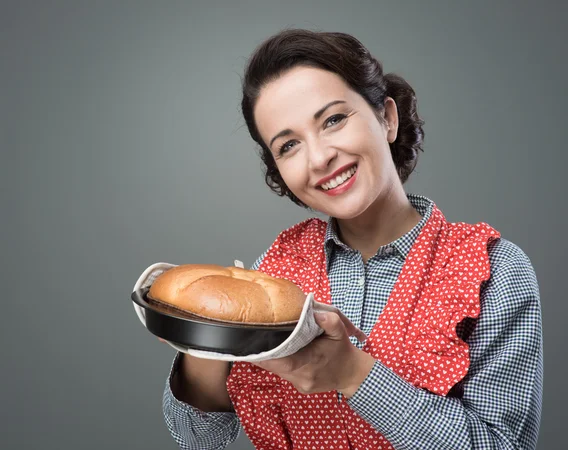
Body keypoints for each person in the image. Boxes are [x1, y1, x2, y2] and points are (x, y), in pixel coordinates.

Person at [160, 29, 543, 449]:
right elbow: (199, 437)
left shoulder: (493, 271)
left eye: (333, 120)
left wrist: (352, 373)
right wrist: (205, 336)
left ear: (387, 118)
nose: (320, 157)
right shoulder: (275, 271)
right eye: (289, 145)